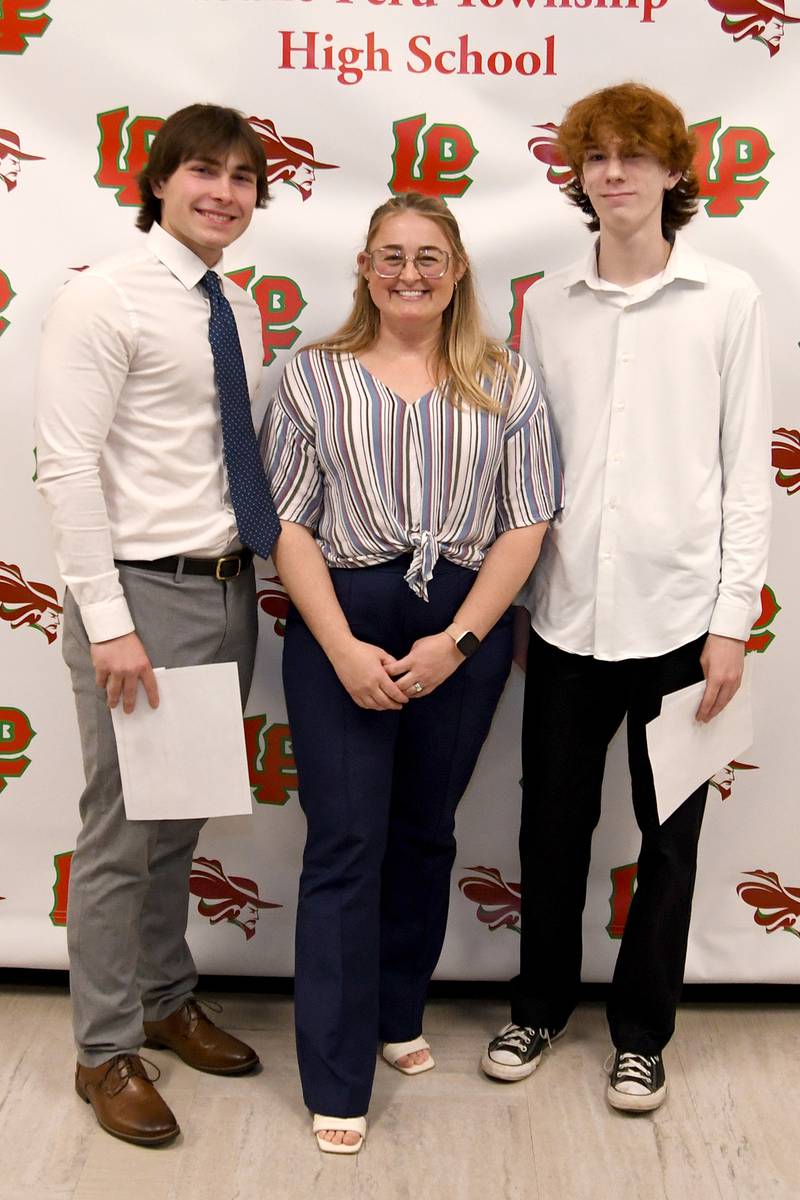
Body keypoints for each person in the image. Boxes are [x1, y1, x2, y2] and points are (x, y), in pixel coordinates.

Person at [481, 82, 772, 1111]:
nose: (613, 174)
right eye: (595, 157)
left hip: (682, 623)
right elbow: (527, 468)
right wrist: (518, 608)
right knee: (547, 833)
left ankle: (640, 1036)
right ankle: (536, 1009)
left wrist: (730, 625)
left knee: (669, 841)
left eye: (633, 156)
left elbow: (746, 473)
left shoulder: (726, 300)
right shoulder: (544, 303)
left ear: (670, 171)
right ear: (577, 175)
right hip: (563, 618)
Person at [260, 191, 562, 1153]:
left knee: (426, 830)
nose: (409, 274)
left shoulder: (504, 381)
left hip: (460, 629)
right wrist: (343, 648)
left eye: (429, 257)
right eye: (390, 257)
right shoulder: (314, 378)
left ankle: (397, 1014)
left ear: (459, 269)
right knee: (347, 842)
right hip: (341, 617)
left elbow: (527, 520)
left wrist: (460, 643)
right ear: (364, 266)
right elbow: (288, 524)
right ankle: (336, 1076)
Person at [35, 103, 279, 1146]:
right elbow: (66, 466)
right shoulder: (105, 298)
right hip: (141, 597)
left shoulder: (234, 304)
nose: (222, 191)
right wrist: (108, 620)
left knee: (179, 820)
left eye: (240, 177)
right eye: (201, 172)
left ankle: (165, 996)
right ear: (159, 180)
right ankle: (103, 1051)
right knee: (122, 835)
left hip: (225, 589)